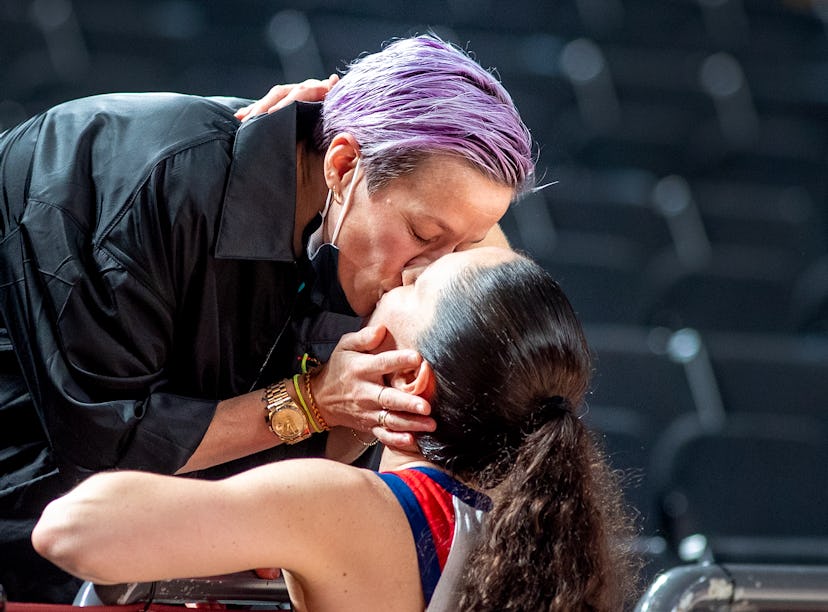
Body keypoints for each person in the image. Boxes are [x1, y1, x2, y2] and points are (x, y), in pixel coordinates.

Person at [0, 34, 535, 602]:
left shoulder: (366, 219)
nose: (424, 274)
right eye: (424, 236)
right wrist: (311, 402)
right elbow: (106, 445)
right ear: (344, 164)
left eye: (460, 246)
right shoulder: (146, 182)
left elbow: (500, 303)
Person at [32, 246, 640, 611]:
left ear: (408, 381)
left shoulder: (350, 506)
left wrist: (309, 408)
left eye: (419, 282)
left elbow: (72, 529)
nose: (401, 274)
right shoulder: (533, 533)